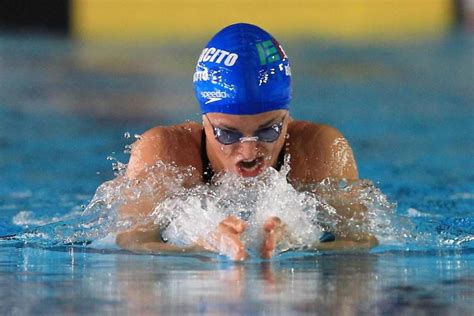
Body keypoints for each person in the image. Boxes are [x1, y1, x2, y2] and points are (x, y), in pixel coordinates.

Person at [115, 23, 377, 260]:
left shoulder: (320, 151)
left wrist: (301, 242)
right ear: (205, 121)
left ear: (287, 118)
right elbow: (131, 244)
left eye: (268, 131)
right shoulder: (165, 152)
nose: (250, 152)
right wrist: (201, 244)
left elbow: (361, 241)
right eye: (228, 134)